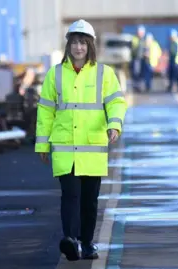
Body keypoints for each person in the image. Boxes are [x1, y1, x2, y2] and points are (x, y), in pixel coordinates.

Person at [34, 19, 128, 261]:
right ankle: (71, 240)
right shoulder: (55, 75)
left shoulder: (104, 74)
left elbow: (117, 102)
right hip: (65, 149)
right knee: (70, 196)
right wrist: (42, 144)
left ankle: (87, 243)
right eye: (74, 42)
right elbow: (45, 112)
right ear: (68, 45)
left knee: (89, 201)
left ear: (90, 46)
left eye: (82, 43)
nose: (78, 48)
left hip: (92, 149)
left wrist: (114, 125)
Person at [130, 25, 147, 92]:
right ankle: (136, 87)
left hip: (142, 59)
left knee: (140, 74)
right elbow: (133, 50)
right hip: (136, 59)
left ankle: (139, 86)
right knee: (136, 73)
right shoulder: (135, 39)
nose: (142, 34)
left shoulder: (143, 40)